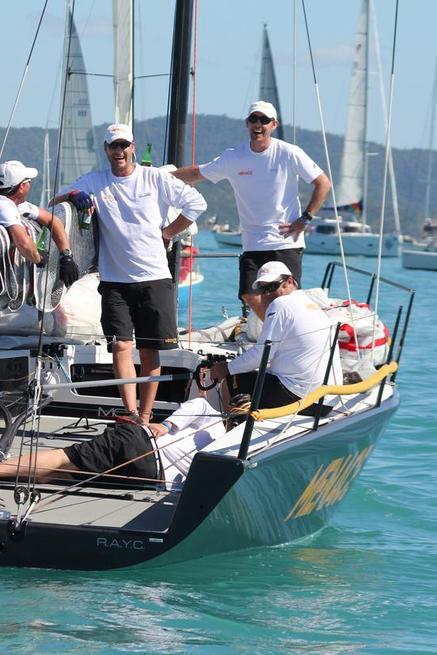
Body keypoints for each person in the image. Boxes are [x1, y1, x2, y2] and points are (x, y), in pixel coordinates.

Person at [54, 123, 207, 424]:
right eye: (113, 146)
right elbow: (54, 199)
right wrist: (74, 194)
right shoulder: (96, 181)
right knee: (120, 346)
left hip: (154, 279)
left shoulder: (155, 178)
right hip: (114, 282)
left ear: (133, 147)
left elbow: (196, 203)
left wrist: (168, 233)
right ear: (106, 149)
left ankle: (146, 417)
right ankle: (130, 413)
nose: (119, 151)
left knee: (150, 352)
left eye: (124, 145)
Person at [0, 160, 80, 456]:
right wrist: (40, 260)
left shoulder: (13, 205)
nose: (30, 186)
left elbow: (55, 222)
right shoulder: (1, 208)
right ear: (20, 186)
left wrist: (65, 256)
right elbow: (24, 243)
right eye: (28, 182)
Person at [173, 101, 331, 320]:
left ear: (273, 125)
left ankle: (287, 337)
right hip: (252, 241)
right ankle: (273, 332)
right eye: (254, 119)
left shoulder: (289, 153)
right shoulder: (234, 157)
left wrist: (305, 218)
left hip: (286, 240)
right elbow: (197, 174)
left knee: (286, 296)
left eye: (264, 120)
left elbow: (323, 183)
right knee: (249, 294)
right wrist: (158, 177)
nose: (258, 124)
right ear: (247, 123)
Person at [0, 396, 232, 489]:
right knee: (66, 472)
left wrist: (165, 426)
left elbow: (199, 404)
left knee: (64, 457)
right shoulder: (229, 452)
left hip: (141, 445)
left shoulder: (217, 422)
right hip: (149, 477)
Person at [209, 261, 340, 412]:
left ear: (289, 282)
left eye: (272, 287)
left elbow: (262, 354)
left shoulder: (281, 304)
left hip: (300, 397)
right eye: (262, 289)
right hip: (326, 397)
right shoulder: (308, 303)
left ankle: (232, 427)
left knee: (231, 378)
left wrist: (226, 368)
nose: (267, 294)